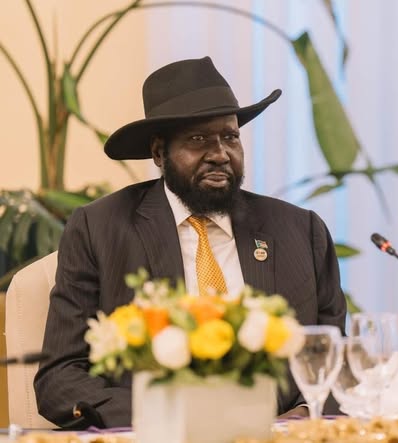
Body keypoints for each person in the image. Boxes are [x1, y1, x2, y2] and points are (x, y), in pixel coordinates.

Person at [33, 57, 346, 428]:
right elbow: (60, 377)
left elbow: (336, 361)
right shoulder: (101, 229)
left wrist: (303, 416)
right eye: (198, 140)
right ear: (159, 153)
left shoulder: (300, 231)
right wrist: (172, 417)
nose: (220, 154)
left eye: (230, 137)